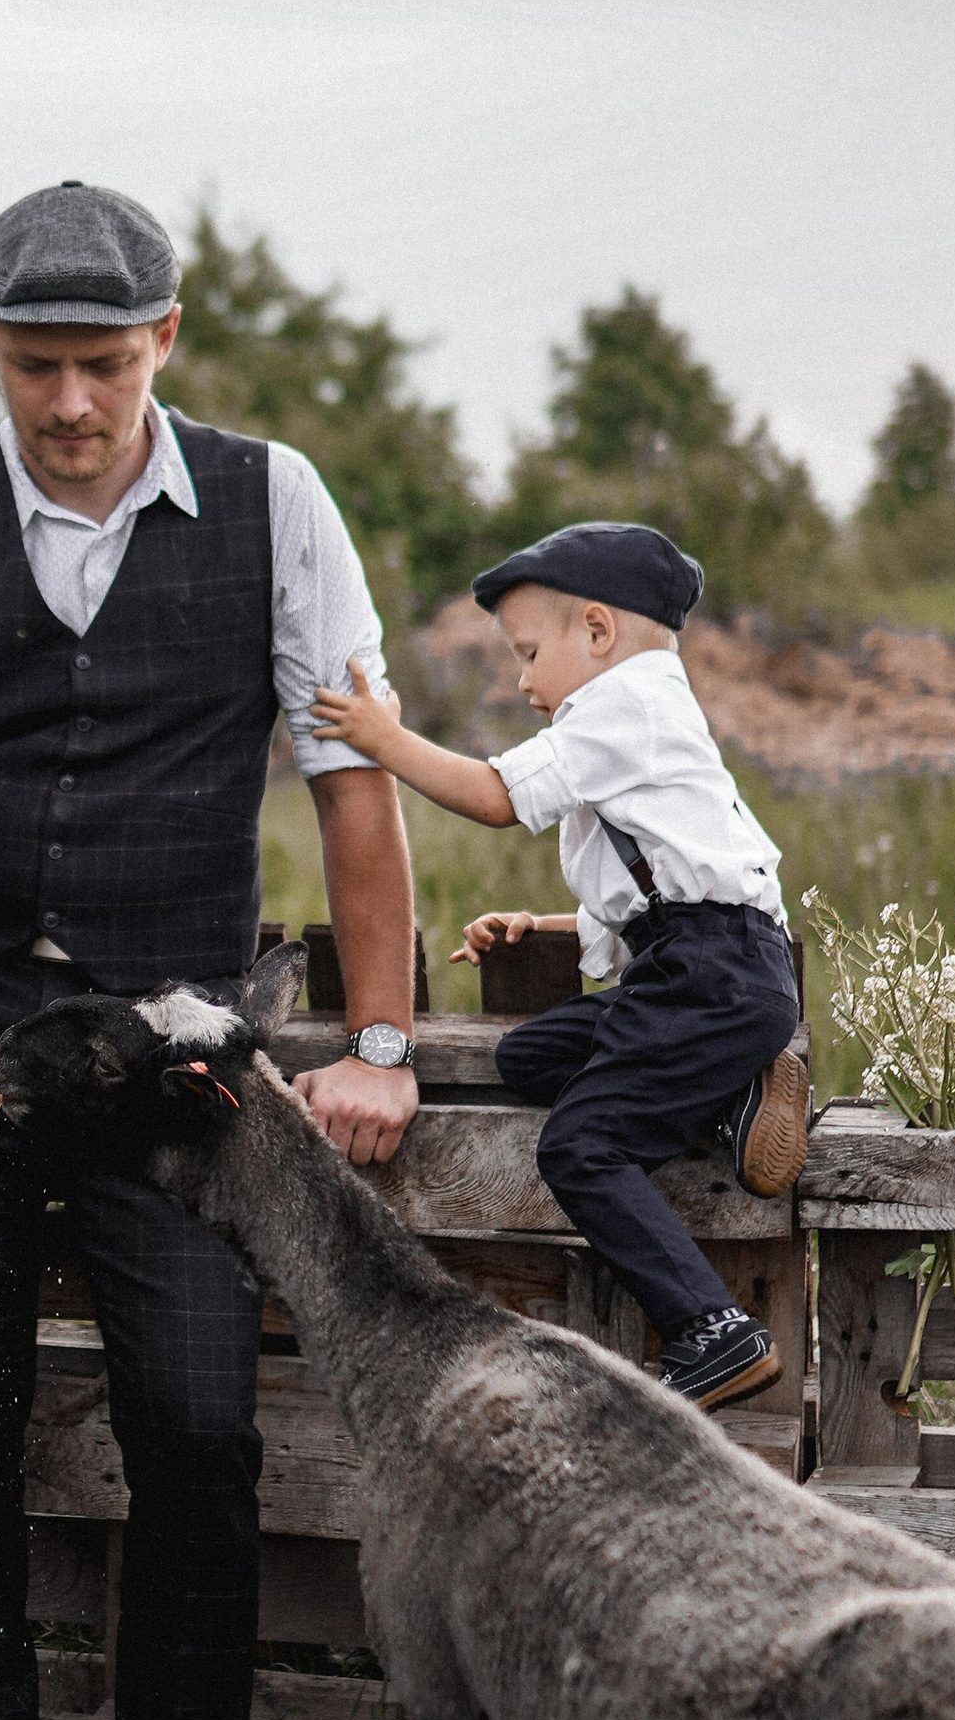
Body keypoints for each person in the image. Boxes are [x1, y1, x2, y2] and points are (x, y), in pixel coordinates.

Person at [0, 179, 425, 1720]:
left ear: (165, 341)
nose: (70, 403)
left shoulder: (276, 505)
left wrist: (384, 1045)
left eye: (101, 364)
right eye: (34, 367)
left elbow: (349, 782)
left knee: (198, 1436)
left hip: (188, 1055)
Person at [311, 515, 808, 1408]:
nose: (522, 678)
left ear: (597, 631)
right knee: (528, 1057)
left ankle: (712, 1330)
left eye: (531, 652)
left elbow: (499, 798)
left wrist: (384, 740)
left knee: (579, 1147)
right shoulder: (637, 723)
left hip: (713, 974)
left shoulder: (629, 701)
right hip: (703, 968)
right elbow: (667, 883)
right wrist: (542, 925)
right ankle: (733, 1090)